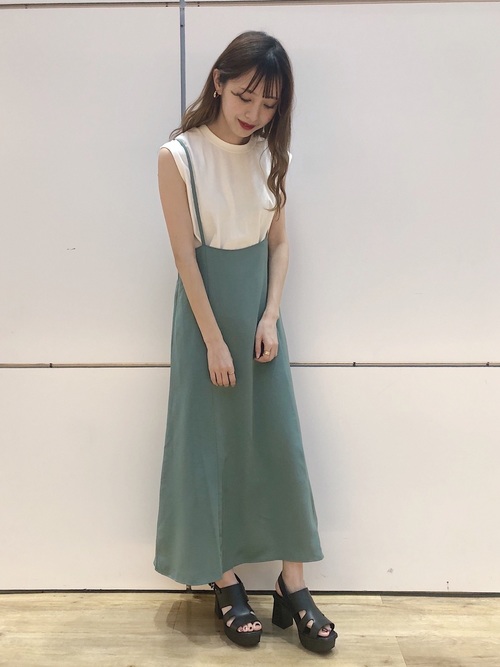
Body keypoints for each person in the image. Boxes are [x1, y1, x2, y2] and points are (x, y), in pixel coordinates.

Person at [154, 31, 337, 654]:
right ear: (219, 81)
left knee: (278, 445)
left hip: (260, 321)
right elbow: (185, 257)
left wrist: (270, 315)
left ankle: (292, 583)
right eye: (245, 96)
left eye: (268, 104)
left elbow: (279, 243)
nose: (254, 113)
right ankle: (225, 578)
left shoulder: (268, 154)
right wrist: (213, 339)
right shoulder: (178, 156)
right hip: (205, 318)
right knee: (213, 447)